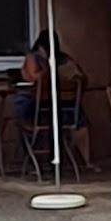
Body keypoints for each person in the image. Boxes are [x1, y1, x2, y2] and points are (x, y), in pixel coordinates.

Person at [17, 30, 98, 172]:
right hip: (67, 109)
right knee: (79, 120)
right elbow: (82, 78)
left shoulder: (34, 59)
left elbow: (34, 80)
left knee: (22, 114)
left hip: (42, 109)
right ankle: (86, 161)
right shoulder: (65, 59)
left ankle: (33, 162)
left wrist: (48, 69)